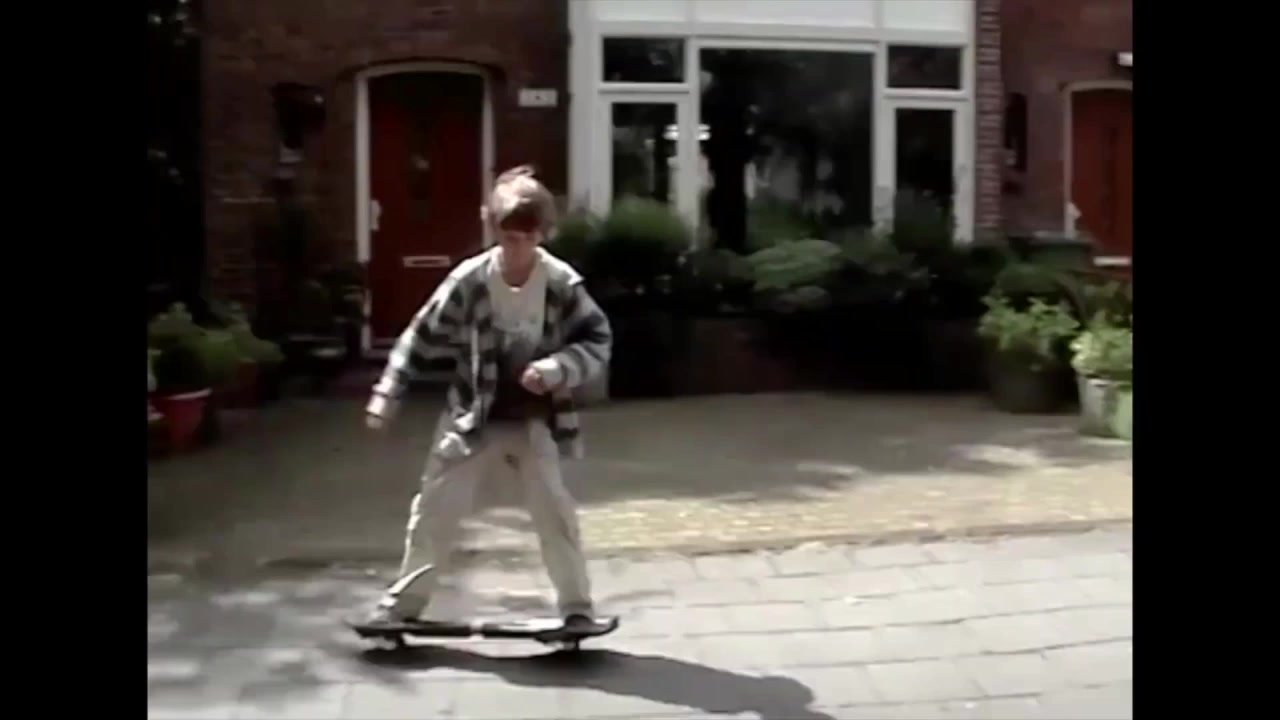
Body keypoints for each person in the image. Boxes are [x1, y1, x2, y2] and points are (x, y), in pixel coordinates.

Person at [361, 165, 612, 631]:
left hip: (534, 417)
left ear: (542, 234)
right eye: (508, 237)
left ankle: (577, 607)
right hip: (472, 416)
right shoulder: (471, 280)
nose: (517, 248)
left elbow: (598, 339)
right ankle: (400, 606)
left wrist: (559, 368)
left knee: (554, 510)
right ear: (492, 228)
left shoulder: (560, 284)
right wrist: (387, 392)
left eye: (527, 238)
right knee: (435, 508)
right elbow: (420, 335)